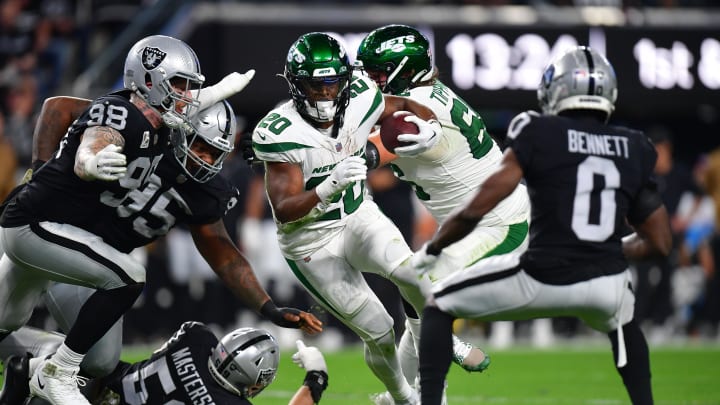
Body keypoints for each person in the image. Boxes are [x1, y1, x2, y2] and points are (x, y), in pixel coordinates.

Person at [0, 35, 320, 405]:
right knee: (8, 318)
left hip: (94, 264)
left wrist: (268, 307)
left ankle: (38, 368)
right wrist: (42, 170)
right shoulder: (146, 124)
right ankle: (53, 371)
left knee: (101, 362)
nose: (205, 159)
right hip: (52, 232)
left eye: (216, 152)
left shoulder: (204, 186)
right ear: (182, 130)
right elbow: (62, 110)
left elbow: (222, 251)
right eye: (200, 145)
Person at [411, 46, 672, 405]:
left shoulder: (536, 129)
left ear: (556, 89)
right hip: (605, 282)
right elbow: (660, 243)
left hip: (542, 276)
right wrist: (609, 250)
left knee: (438, 304)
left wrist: (435, 249)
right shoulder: (636, 145)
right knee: (623, 321)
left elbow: (481, 204)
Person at [250, 31, 464, 405]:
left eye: (333, 83)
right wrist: (327, 186)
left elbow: (413, 109)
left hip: (357, 214)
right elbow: (284, 209)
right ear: (295, 85)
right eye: (315, 86)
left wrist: (425, 130)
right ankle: (401, 397)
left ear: (346, 79)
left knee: (411, 272)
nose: (326, 94)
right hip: (311, 241)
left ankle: (434, 352)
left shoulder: (363, 97)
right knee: (380, 331)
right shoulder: (278, 131)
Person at [355, 23, 536, 377]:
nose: (370, 81)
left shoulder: (414, 114)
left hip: (499, 224)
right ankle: (407, 396)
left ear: (403, 71)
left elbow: (363, 155)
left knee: (425, 295)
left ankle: (433, 382)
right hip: (473, 222)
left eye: (377, 73)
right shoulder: (425, 94)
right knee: (415, 298)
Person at [1, 322, 329, 405]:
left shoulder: (197, 336)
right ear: (253, 383)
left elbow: (163, 360)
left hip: (96, 388)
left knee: (54, 347)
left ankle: (22, 375)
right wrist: (316, 378)